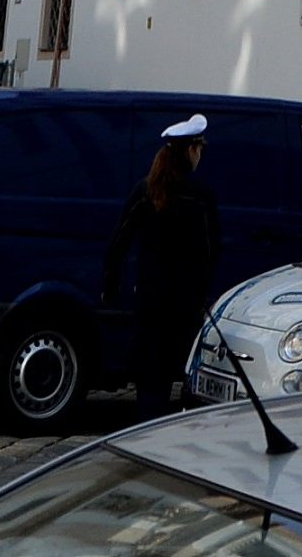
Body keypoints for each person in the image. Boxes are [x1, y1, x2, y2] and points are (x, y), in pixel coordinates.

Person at [105, 114, 225, 408]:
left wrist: (110, 285)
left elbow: (119, 241)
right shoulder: (200, 195)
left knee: (149, 381)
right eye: (200, 149)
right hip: (182, 304)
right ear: (191, 151)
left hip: (150, 300)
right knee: (177, 376)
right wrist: (203, 292)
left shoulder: (145, 191)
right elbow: (211, 250)